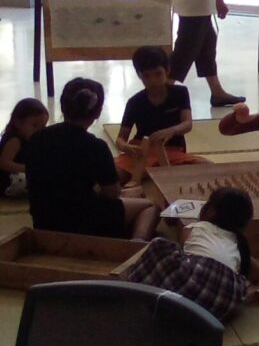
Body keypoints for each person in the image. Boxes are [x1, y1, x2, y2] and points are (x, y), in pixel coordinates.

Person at [24, 77, 159, 240]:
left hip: (44, 221)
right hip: (85, 222)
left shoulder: (37, 138)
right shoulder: (95, 146)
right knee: (151, 206)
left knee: (134, 193)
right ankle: (137, 244)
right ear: (98, 112)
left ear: (63, 106)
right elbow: (112, 195)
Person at [126, 187, 259, 321]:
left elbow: (186, 255)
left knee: (159, 244)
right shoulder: (238, 243)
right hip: (224, 300)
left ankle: (134, 286)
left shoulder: (195, 227)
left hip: (192, 287)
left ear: (210, 210)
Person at [115, 45, 205, 186]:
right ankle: (149, 173)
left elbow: (187, 124)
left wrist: (171, 130)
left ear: (167, 70)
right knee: (112, 176)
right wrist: (127, 148)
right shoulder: (134, 102)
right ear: (139, 75)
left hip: (173, 151)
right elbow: (121, 139)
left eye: (158, 74)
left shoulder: (179, 93)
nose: (153, 80)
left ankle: (149, 173)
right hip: (142, 152)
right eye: (147, 76)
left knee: (207, 167)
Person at [0, 98, 49, 197]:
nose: (39, 131)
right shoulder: (15, 140)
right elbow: (3, 163)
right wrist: (28, 168)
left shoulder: (31, 139)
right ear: (18, 123)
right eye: (34, 126)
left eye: (43, 127)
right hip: (8, 181)